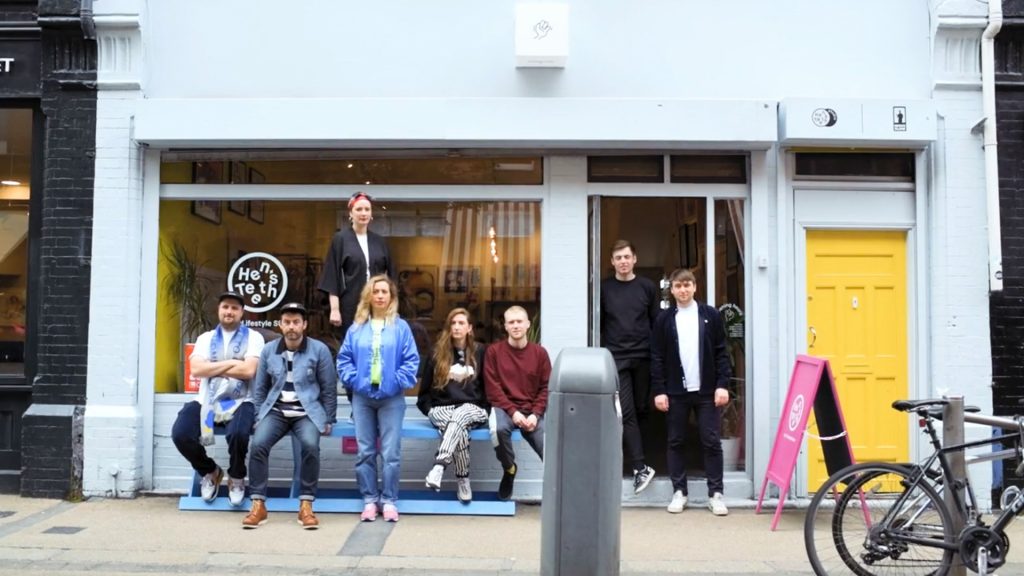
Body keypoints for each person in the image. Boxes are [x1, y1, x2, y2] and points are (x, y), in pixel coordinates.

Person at [242, 302, 338, 530]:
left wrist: (329, 418)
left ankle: (306, 504)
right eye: (287, 322)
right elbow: (260, 389)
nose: (291, 327)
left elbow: (329, 387)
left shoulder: (319, 350)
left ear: (304, 325)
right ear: (280, 325)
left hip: (306, 413)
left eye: (296, 322)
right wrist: (258, 416)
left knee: (310, 445)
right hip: (275, 411)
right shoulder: (268, 350)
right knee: (258, 446)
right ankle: (258, 505)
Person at [337, 274, 420, 522]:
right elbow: (344, 360)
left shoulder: (401, 327)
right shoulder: (357, 328)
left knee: (391, 452)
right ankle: (370, 500)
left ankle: (390, 500)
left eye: (385, 291)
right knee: (365, 452)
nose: (381, 296)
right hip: (362, 399)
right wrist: (357, 382)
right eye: (376, 291)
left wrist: (395, 382)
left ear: (391, 297)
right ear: (369, 296)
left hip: (391, 399)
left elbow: (411, 361)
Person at [171, 291, 265, 507]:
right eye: (225, 307)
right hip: (207, 401)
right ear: (219, 310)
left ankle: (236, 477)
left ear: (242, 312)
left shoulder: (254, 337)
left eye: (234, 308)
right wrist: (233, 363)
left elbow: (249, 371)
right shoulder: (205, 338)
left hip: (241, 400)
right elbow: (196, 369)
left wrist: (212, 368)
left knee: (239, 434)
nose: (229, 311)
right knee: (181, 434)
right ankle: (210, 471)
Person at [650, 268, 732, 516]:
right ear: (671, 289)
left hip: (707, 390)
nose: (683, 290)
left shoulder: (710, 315)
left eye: (687, 285)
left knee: (711, 441)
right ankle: (679, 492)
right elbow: (657, 357)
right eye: (678, 286)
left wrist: (722, 384)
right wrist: (659, 390)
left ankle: (715, 494)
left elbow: (721, 351)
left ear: (695, 287)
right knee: (676, 441)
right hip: (676, 391)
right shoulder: (664, 319)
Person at [319, 191, 396, 415]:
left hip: (379, 306)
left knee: (379, 352)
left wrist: (392, 307)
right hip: (351, 305)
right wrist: (334, 308)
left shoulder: (380, 241)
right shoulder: (340, 239)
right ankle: (356, 405)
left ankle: (377, 401)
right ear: (350, 213)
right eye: (359, 209)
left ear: (371, 215)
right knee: (355, 355)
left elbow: (391, 277)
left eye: (367, 210)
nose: (363, 213)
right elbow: (332, 274)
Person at [600, 239, 660, 495]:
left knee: (642, 408)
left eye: (627, 256)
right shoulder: (604, 289)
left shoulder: (647, 287)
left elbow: (656, 321)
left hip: (644, 356)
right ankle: (640, 466)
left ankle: (642, 456)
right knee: (626, 412)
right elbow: (598, 324)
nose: (623, 261)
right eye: (618, 258)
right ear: (612, 262)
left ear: (634, 258)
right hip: (618, 358)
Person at [417, 307, 489, 503]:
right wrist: (430, 410)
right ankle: (463, 479)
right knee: (460, 430)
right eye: (453, 323)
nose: (456, 327)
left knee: (463, 412)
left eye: (461, 323)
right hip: (442, 410)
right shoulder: (436, 353)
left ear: (470, 328)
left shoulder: (481, 352)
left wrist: (486, 409)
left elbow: (488, 387)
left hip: (473, 408)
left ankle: (439, 465)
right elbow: (423, 394)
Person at [484, 305, 550, 501]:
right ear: (505, 326)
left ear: (528, 324)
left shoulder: (540, 354)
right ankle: (509, 469)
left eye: (519, 321)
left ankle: (558, 496)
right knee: (498, 429)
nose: (515, 326)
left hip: (532, 412)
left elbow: (546, 387)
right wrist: (513, 412)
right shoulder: (494, 352)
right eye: (511, 322)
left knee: (551, 448)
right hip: (504, 409)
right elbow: (493, 388)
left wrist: (535, 414)